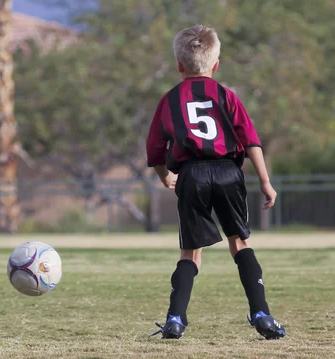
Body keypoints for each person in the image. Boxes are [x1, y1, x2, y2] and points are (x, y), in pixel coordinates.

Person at [146, 25, 285, 340]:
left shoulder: (169, 100)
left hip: (192, 174)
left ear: (180, 65)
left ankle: (175, 319)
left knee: (190, 252)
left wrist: (166, 175)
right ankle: (261, 313)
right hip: (227, 171)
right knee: (240, 243)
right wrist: (265, 181)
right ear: (216, 64)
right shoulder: (226, 95)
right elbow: (251, 141)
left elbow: (155, 150)